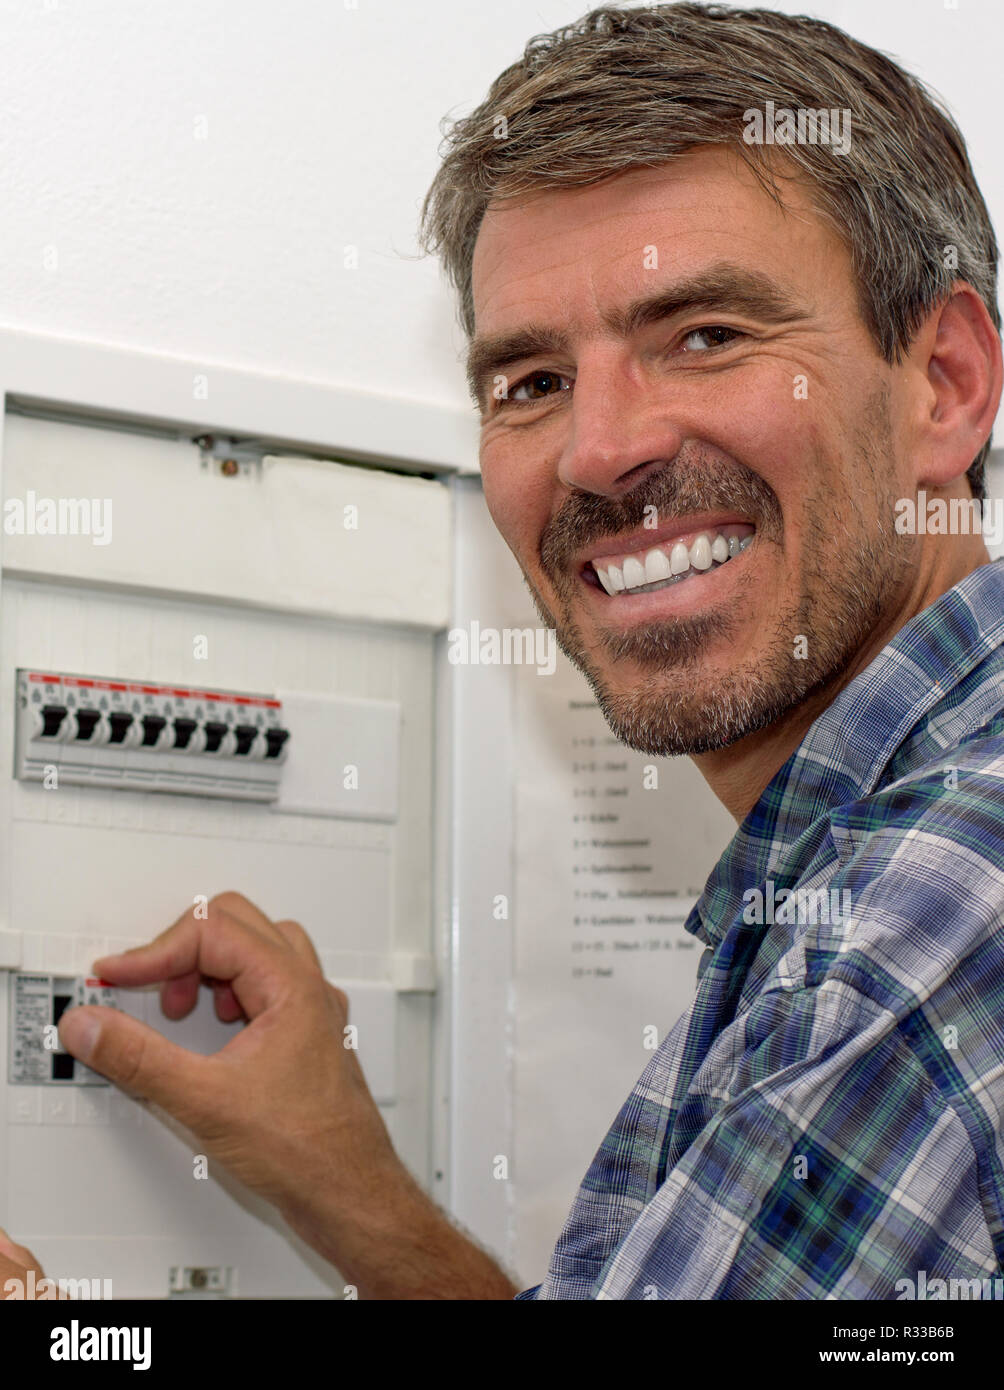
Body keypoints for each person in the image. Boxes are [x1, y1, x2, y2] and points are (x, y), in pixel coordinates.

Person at [4, 1, 1003, 1300]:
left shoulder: (931, 906)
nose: (599, 452)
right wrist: (352, 1189)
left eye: (704, 335)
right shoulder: (847, 870)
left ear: (945, 382)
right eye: (530, 382)